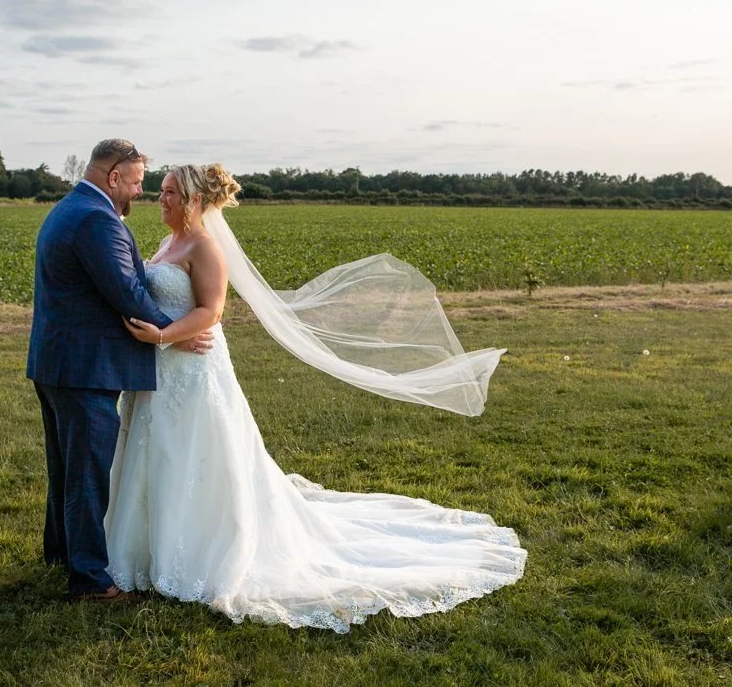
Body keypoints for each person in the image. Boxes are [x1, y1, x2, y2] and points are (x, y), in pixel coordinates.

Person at [109, 164, 527, 632]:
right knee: (157, 449)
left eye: (169, 192)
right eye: (161, 191)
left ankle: (198, 549)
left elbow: (212, 310)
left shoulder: (205, 247)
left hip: (193, 365)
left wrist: (165, 336)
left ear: (195, 200)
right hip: (164, 365)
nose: (159, 199)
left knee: (194, 452)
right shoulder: (168, 242)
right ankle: (146, 545)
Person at [26, 140, 212, 604]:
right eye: (135, 183)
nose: (140, 193)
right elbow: (127, 292)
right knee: (86, 473)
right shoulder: (96, 219)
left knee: (67, 468)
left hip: (59, 362)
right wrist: (177, 333)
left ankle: (63, 552)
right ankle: (89, 581)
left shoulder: (70, 208)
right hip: (87, 367)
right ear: (113, 178)